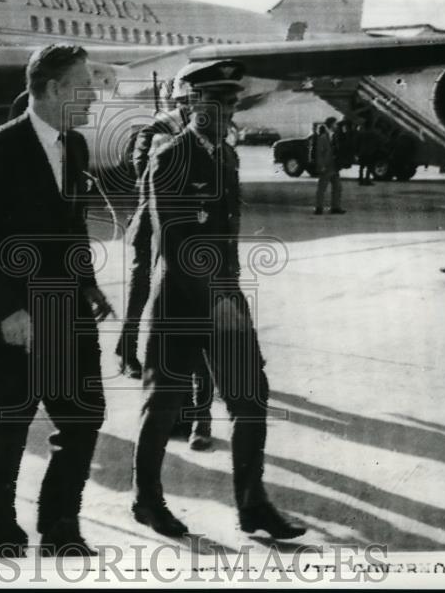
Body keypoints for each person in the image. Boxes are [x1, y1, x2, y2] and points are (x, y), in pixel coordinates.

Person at [132, 59, 307, 541]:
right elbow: (177, 242)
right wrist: (217, 299)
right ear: (192, 104)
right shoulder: (170, 157)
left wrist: (228, 297)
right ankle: (146, 500)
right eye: (219, 102)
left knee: (250, 399)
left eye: (233, 102)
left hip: (224, 300)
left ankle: (253, 507)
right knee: (163, 407)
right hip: (180, 304)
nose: (230, 110)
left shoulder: (225, 157)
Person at [0, 43, 114, 558]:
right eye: (85, 85)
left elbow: (71, 227)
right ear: (53, 89)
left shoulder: (73, 147)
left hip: (65, 308)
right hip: (14, 317)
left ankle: (59, 527)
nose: (94, 95)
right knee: (9, 422)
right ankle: (1, 529)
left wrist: (87, 282)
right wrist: (9, 310)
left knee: (85, 415)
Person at [115, 61, 215, 451]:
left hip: (192, 237)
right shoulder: (157, 128)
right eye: (188, 101)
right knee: (143, 290)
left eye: (199, 100)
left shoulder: (213, 132)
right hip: (153, 227)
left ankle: (195, 413)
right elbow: (143, 172)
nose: (193, 107)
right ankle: (126, 346)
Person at [313, 116, 345, 214]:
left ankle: (335, 207)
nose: (337, 126)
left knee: (338, 187)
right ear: (331, 125)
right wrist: (321, 165)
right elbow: (319, 153)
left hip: (334, 166)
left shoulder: (335, 136)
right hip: (326, 166)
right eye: (335, 124)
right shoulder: (323, 137)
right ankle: (319, 207)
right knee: (322, 187)